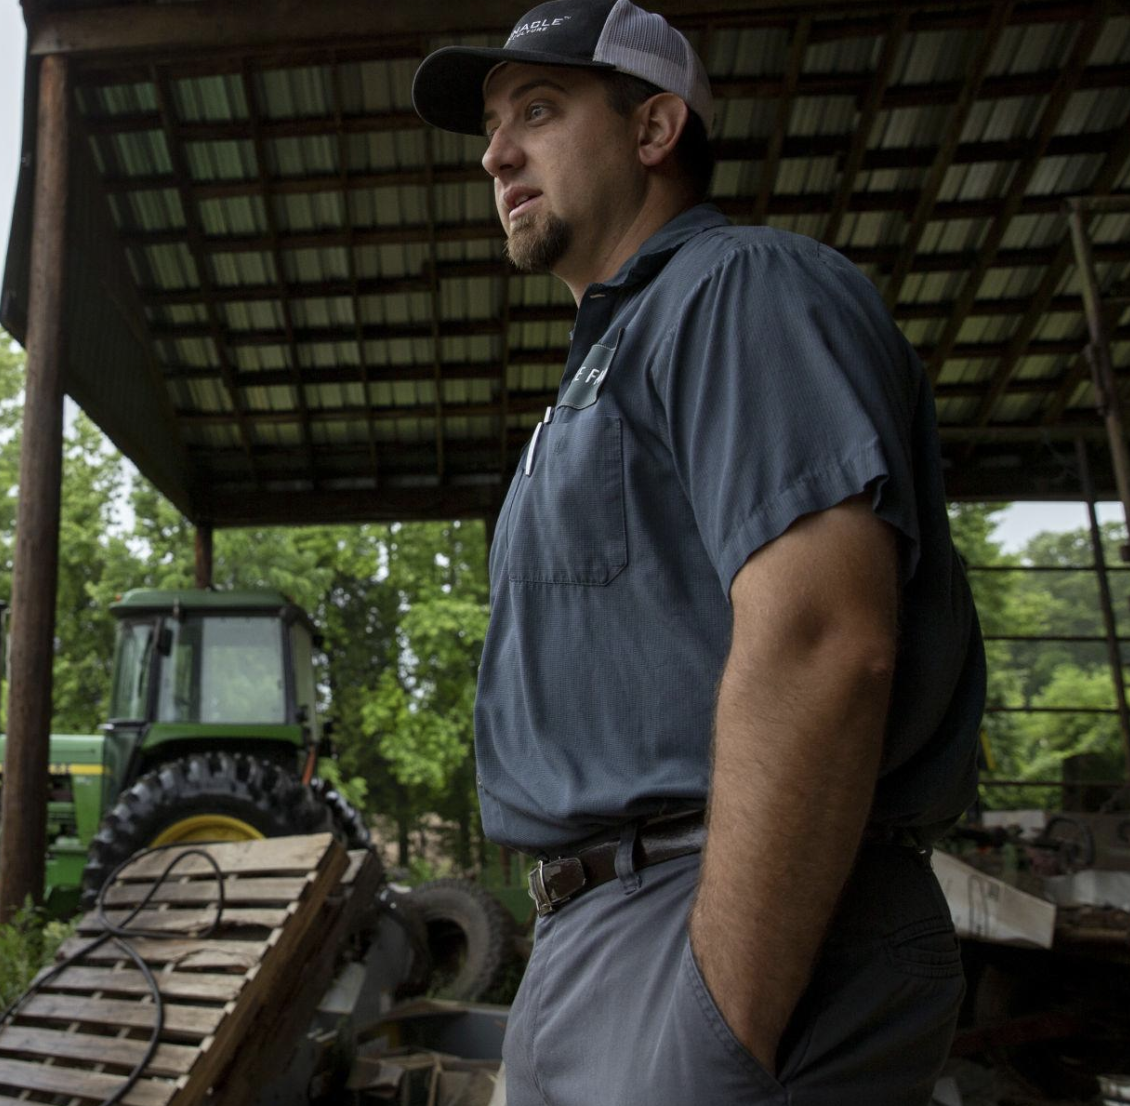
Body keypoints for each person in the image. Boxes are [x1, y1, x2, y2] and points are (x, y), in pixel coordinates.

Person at [412, 1, 986, 1103]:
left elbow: (824, 641)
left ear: (656, 128)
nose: (495, 153)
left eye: (539, 108)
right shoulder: (603, 368)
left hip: (716, 914)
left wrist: (721, 1021)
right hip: (594, 932)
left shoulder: (740, 289)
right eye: (492, 125)